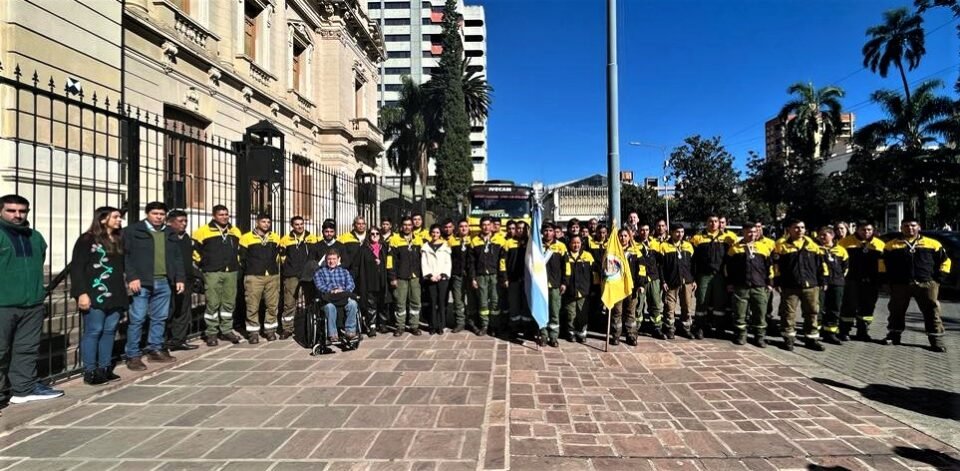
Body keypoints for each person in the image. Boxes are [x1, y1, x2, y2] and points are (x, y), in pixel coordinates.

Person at [0, 195, 63, 404]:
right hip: (4, 304)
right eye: (11, 210)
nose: (17, 215)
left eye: (22, 211)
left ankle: (23, 389)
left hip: (32, 304)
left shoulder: (35, 236)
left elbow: (40, 260)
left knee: (26, 348)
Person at [124, 202, 186, 370]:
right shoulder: (133, 231)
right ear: (147, 213)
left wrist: (179, 278)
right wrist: (132, 277)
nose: (158, 217)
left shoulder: (169, 232)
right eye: (155, 213)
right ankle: (133, 354)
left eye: (161, 214)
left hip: (164, 281)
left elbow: (177, 257)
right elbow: (126, 256)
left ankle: (155, 349)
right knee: (137, 318)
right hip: (142, 282)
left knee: (160, 317)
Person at [71, 207, 127, 385]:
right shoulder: (87, 239)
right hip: (95, 291)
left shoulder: (118, 239)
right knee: (94, 330)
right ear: (103, 219)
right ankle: (90, 370)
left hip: (116, 292)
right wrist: (81, 293)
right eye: (116, 217)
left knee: (110, 331)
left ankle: (104, 367)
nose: (120, 220)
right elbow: (77, 268)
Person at [880, 218, 951, 352]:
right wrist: (885, 280)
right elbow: (882, 264)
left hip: (926, 284)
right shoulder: (891, 245)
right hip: (900, 284)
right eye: (906, 226)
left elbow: (945, 261)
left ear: (919, 227)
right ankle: (894, 335)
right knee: (896, 310)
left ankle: (936, 340)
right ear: (901, 228)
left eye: (913, 226)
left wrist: (939, 278)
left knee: (932, 311)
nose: (909, 228)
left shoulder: (933, 244)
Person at [193, 205, 243, 346]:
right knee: (213, 303)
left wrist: (236, 263)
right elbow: (195, 252)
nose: (224, 217)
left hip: (230, 272)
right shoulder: (202, 232)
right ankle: (212, 332)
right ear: (214, 216)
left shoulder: (235, 231)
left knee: (229, 303)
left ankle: (226, 330)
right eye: (221, 214)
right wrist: (204, 263)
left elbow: (239, 251)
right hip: (212, 271)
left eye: (226, 214)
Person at [772, 219, 826, 352]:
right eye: (796, 227)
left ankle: (811, 339)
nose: (799, 230)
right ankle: (789, 339)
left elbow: (821, 264)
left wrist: (823, 280)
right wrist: (777, 282)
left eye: (802, 227)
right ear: (789, 229)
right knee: (788, 313)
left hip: (811, 285)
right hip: (790, 286)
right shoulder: (782, 245)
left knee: (812, 312)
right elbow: (776, 266)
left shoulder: (812, 245)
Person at [724, 223, 774, 347]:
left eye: (754, 232)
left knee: (760, 313)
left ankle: (760, 337)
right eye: (749, 232)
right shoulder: (735, 249)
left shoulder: (763, 248)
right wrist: (729, 283)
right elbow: (727, 268)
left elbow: (770, 267)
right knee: (740, 313)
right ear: (743, 233)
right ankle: (741, 335)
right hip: (741, 287)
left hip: (759, 286)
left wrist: (770, 283)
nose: (752, 234)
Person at [690, 214, 737, 339]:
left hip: (720, 276)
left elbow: (733, 258)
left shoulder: (727, 238)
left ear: (719, 223)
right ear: (706, 223)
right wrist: (693, 278)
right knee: (701, 302)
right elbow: (692, 261)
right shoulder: (697, 238)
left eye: (716, 221)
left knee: (719, 304)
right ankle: (700, 327)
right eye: (710, 221)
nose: (713, 224)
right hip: (703, 276)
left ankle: (719, 328)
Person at [837, 221, 884, 342]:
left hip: (871, 282)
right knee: (849, 306)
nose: (866, 232)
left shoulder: (879, 244)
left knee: (867, 307)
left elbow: (883, 265)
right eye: (863, 230)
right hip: (851, 280)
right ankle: (844, 331)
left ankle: (862, 331)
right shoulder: (845, 243)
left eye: (869, 230)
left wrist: (881, 280)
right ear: (857, 230)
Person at [239, 214, 281, 344]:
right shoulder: (246, 238)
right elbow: (241, 258)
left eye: (268, 222)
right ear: (257, 222)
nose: (266, 224)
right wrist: (251, 269)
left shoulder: (275, 237)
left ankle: (270, 330)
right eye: (263, 221)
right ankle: (253, 332)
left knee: (272, 305)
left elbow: (278, 256)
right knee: (252, 305)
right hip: (254, 276)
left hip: (272, 276)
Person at [279, 216, 319, 339]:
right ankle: (287, 328)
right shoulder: (285, 239)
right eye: (296, 224)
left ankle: (310, 325)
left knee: (310, 301)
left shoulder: (312, 238)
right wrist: (288, 268)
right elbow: (281, 257)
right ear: (292, 225)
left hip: (308, 274)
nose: (300, 226)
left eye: (301, 224)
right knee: (289, 302)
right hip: (291, 275)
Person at [165, 210, 200, 350]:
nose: (184, 224)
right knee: (167, 311)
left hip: (186, 280)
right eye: (180, 221)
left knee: (183, 311)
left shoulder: (186, 238)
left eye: (185, 221)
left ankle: (178, 340)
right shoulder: (165, 237)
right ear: (170, 222)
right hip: (169, 280)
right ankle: (162, 343)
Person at [313, 249, 360, 344]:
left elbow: (351, 284)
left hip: (343, 296)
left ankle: (350, 332)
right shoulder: (320, 272)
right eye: (329, 259)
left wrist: (343, 291)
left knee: (353, 304)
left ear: (338, 259)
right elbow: (319, 286)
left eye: (334, 259)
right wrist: (331, 291)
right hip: (329, 298)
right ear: (326, 260)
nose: (331, 261)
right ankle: (333, 334)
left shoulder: (344, 272)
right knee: (330, 307)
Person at [387, 216, 423, 336]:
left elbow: (422, 259)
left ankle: (414, 326)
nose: (407, 227)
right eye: (405, 225)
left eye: (409, 225)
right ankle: (400, 326)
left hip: (415, 276)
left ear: (413, 226)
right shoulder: (395, 239)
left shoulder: (418, 239)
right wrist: (392, 277)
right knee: (400, 302)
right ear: (401, 226)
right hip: (400, 276)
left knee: (415, 302)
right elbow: (390, 260)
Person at [659, 224, 696, 339]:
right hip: (671, 282)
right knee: (669, 307)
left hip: (687, 281)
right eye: (677, 232)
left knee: (687, 306)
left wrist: (693, 279)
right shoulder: (664, 246)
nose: (680, 234)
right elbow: (660, 266)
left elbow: (693, 264)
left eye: (682, 232)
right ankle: (670, 328)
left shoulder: (688, 246)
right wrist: (663, 281)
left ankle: (686, 328)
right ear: (671, 233)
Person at [610, 228, 645, 346]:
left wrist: (640, 284)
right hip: (617, 287)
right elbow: (608, 270)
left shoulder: (636, 251)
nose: (623, 238)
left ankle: (631, 335)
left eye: (625, 236)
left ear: (629, 237)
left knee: (631, 312)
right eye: (621, 236)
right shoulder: (613, 251)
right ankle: (615, 335)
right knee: (617, 312)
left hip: (632, 287)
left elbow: (642, 269)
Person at [469, 216, 504, 336]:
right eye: (483, 225)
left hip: (495, 276)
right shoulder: (474, 241)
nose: (486, 227)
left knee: (495, 302)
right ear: (480, 226)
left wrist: (503, 277)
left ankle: (494, 326)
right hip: (481, 276)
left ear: (492, 226)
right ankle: (484, 325)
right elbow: (471, 262)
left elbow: (503, 260)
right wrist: (473, 278)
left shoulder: (500, 240)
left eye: (488, 224)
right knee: (483, 303)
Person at [817, 227, 848, 345]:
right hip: (820, 284)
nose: (821, 237)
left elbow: (846, 266)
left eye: (824, 235)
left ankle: (830, 333)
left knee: (834, 308)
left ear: (832, 236)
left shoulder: (841, 250)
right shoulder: (816, 249)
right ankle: (816, 332)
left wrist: (839, 279)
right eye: (820, 235)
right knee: (818, 309)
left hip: (837, 283)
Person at [562, 235, 595, 343]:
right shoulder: (565, 255)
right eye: (573, 243)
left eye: (578, 243)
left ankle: (582, 333)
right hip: (570, 291)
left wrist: (594, 287)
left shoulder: (588, 256)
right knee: (571, 314)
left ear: (581, 244)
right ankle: (571, 333)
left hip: (584, 291)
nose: (576, 245)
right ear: (569, 244)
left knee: (582, 314)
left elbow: (593, 274)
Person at [356, 225, 387, 336]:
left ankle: (382, 324)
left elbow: (390, 263)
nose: (375, 236)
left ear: (380, 235)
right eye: (372, 234)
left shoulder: (385, 247)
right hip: (370, 281)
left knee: (383, 302)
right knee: (371, 304)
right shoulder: (364, 249)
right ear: (369, 235)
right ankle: (372, 326)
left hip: (383, 280)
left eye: (377, 233)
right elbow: (359, 266)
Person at [540, 223, 568, 347]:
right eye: (545, 230)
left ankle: (553, 337)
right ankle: (543, 335)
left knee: (554, 312)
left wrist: (564, 282)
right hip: (540, 285)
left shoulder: (561, 247)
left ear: (554, 232)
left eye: (550, 230)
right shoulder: (537, 245)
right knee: (542, 311)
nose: (548, 233)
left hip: (555, 285)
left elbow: (566, 266)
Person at [422, 225, 452, 335]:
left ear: (440, 234)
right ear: (430, 233)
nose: (435, 235)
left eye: (437, 232)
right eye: (433, 232)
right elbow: (424, 263)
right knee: (432, 302)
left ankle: (441, 325)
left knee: (441, 302)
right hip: (431, 278)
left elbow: (447, 262)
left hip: (442, 278)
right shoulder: (425, 247)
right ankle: (432, 325)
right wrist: (430, 275)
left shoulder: (445, 246)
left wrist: (443, 274)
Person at [636, 224, 664, 336]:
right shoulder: (634, 244)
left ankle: (657, 327)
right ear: (638, 231)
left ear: (650, 231)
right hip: (640, 279)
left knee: (656, 304)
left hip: (654, 278)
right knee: (638, 305)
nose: (644, 232)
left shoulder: (655, 243)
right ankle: (637, 327)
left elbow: (662, 260)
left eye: (647, 230)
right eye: (642, 230)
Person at [448, 219, 473, 333]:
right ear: (458, 228)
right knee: (458, 300)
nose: (463, 228)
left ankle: (472, 322)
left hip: (470, 275)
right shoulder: (452, 241)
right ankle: (460, 323)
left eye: (465, 226)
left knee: (472, 300)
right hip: (457, 275)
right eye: (461, 226)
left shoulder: (473, 241)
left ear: (469, 228)